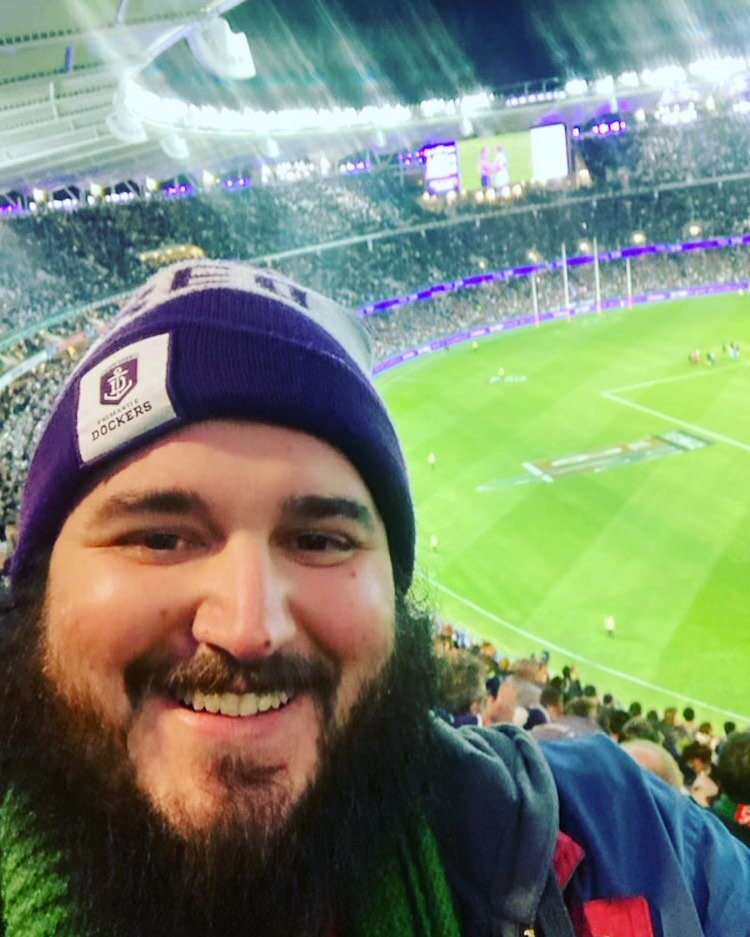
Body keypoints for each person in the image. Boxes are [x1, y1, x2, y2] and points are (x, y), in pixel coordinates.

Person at [2, 259, 748, 937]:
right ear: (32, 593)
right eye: (160, 537)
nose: (249, 625)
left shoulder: (628, 846)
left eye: (321, 539)